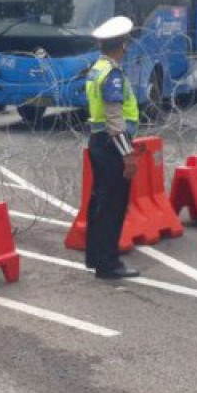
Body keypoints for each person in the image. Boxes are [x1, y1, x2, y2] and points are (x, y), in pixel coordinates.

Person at [84, 16, 141, 280]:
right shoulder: (113, 74)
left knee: (100, 202)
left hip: (98, 142)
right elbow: (114, 118)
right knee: (112, 206)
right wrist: (127, 153)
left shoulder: (96, 68)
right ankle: (109, 264)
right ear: (123, 45)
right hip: (112, 145)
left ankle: (96, 257)